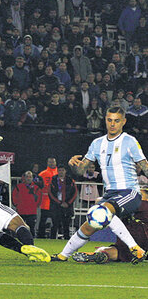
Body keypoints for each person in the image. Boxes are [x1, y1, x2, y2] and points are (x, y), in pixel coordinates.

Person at [52, 107, 148, 264]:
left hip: (129, 192)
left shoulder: (129, 141)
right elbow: (81, 170)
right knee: (91, 222)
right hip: (111, 194)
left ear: (123, 122)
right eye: (109, 120)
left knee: (103, 211)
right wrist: (73, 165)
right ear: (105, 120)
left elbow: (145, 168)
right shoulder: (97, 143)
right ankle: (63, 255)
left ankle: (135, 248)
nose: (112, 124)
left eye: (117, 121)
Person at [72, 191, 148, 264]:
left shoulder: (136, 204)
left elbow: (98, 200)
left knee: (118, 251)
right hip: (142, 237)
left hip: (132, 235)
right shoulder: (136, 205)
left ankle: (101, 253)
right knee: (120, 252)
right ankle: (103, 254)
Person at [48, 165, 78, 240]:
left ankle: (67, 239)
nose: (61, 172)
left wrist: (68, 203)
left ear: (65, 171)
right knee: (55, 223)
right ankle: (52, 239)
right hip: (56, 205)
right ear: (57, 171)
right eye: (59, 170)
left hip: (67, 206)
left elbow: (75, 193)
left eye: (62, 170)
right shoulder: (53, 180)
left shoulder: (70, 180)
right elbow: (50, 193)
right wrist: (58, 202)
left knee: (66, 224)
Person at [12, 171, 42, 237]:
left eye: (30, 177)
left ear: (32, 178)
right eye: (27, 177)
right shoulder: (18, 187)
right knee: (20, 228)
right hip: (21, 211)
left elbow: (39, 198)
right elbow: (14, 196)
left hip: (32, 212)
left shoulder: (36, 188)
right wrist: (17, 205)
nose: (28, 178)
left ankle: (32, 241)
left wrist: (35, 206)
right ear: (24, 178)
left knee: (31, 228)